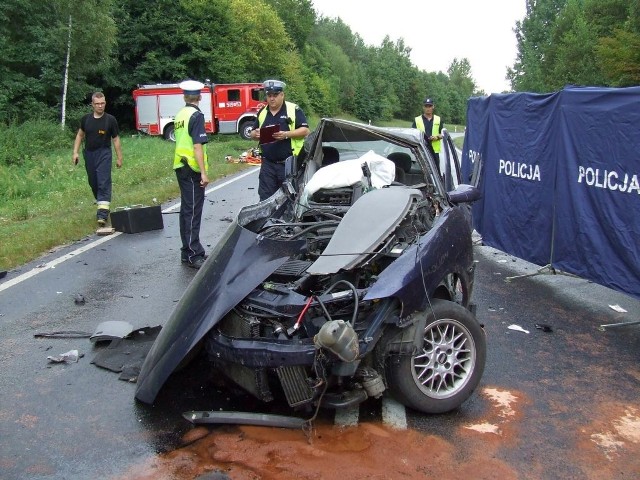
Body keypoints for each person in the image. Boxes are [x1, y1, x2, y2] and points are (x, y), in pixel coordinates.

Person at [250, 79, 310, 201]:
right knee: (266, 199)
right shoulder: (262, 112)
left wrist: (286, 134)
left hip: (288, 164)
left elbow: (305, 131)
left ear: (282, 95)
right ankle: (267, 220)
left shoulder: (293, 109)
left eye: (275, 95)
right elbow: (252, 131)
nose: (272, 99)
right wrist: (254, 134)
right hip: (267, 164)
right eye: (269, 95)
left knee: (290, 199)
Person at [173, 80, 210, 269]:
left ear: (184, 97)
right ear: (200, 97)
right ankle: (192, 253)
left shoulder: (180, 115)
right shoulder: (196, 116)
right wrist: (203, 172)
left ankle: (188, 250)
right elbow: (197, 146)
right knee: (193, 211)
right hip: (192, 168)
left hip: (180, 165)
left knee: (187, 210)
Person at [72, 92, 123, 228]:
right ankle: (103, 205)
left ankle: (102, 214)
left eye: (102, 103)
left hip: (104, 153)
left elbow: (116, 139)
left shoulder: (110, 120)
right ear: (92, 105)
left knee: (103, 181)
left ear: (105, 103)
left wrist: (119, 157)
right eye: (97, 104)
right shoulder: (86, 119)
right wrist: (75, 152)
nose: (100, 106)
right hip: (89, 154)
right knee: (93, 182)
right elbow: (80, 135)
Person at [412, 97, 444, 173]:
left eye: (429, 106)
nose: (428, 108)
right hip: (421, 150)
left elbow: (442, 134)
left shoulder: (438, 119)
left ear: (433, 107)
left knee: (436, 171)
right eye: (426, 106)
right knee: (422, 171)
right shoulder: (417, 119)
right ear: (423, 107)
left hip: (434, 151)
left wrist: (436, 137)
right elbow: (412, 134)